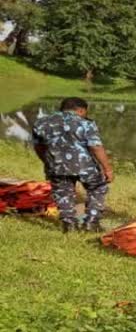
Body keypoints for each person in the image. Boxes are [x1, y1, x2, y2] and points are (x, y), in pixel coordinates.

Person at [32, 97, 113, 233]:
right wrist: (108, 169)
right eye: (85, 112)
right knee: (97, 188)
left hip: (56, 165)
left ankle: (69, 225)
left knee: (63, 193)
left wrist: (47, 161)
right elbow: (96, 146)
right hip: (84, 166)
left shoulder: (42, 123)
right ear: (81, 110)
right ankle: (91, 223)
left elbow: (39, 146)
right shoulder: (85, 123)